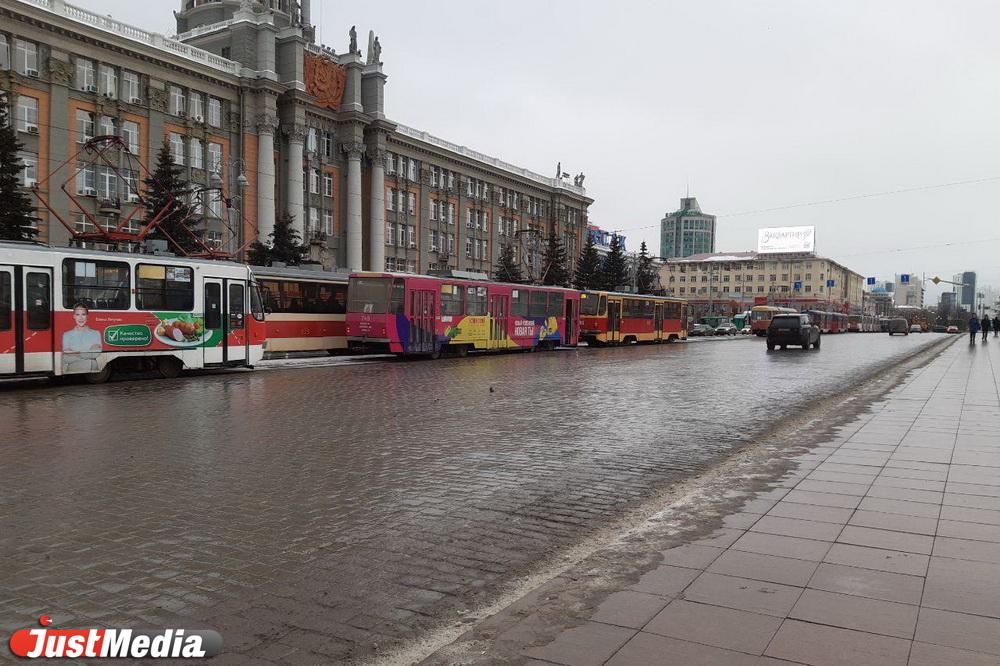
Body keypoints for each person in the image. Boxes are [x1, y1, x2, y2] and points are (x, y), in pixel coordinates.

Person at [61, 303, 102, 373]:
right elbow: (65, 358)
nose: (81, 318)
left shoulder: (96, 333)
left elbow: (96, 354)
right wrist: (88, 353)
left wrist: (74, 353)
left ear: (87, 316)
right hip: (72, 371)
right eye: (77, 314)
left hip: (91, 371)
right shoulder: (66, 335)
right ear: (74, 316)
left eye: (83, 314)